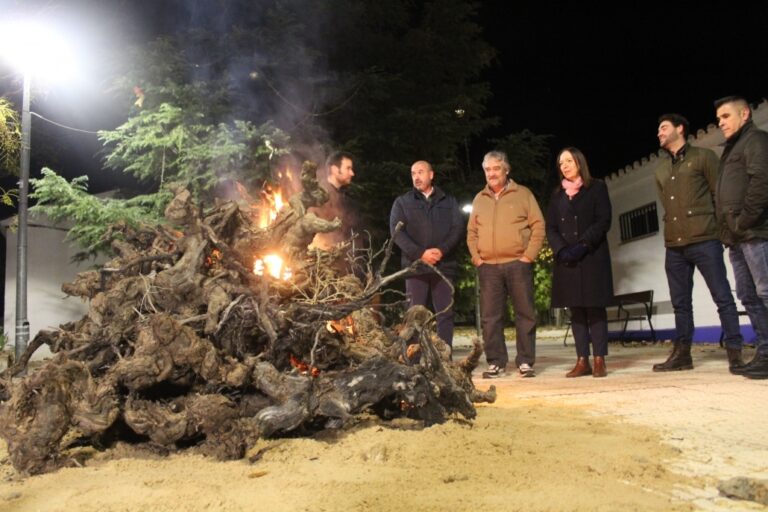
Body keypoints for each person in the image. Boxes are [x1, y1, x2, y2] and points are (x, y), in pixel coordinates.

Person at [652, 113, 746, 373]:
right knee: (680, 303)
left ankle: (735, 353)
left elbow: (720, 196)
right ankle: (682, 355)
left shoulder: (704, 158)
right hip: (674, 245)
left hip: (705, 239)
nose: (659, 133)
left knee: (722, 297)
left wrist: (724, 231)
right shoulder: (660, 170)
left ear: (680, 128)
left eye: (663, 127)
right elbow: (666, 204)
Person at [467, 150, 545, 378]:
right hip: (488, 266)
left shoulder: (523, 194)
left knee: (525, 313)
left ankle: (525, 362)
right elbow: (471, 232)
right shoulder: (479, 199)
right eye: (488, 169)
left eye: (496, 168)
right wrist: (477, 258)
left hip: (518, 263)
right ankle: (496, 362)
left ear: (506, 169)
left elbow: (538, 225)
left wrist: (529, 255)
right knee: (490, 317)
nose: (491, 173)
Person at [546, 147, 613, 378]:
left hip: (592, 256)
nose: (564, 165)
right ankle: (582, 360)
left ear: (579, 162)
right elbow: (551, 227)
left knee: (595, 308)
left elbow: (603, 220)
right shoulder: (557, 195)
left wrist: (583, 245)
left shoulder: (596, 187)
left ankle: (599, 359)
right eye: (560, 162)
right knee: (576, 311)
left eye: (568, 161)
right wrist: (562, 250)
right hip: (568, 261)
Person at [714, 96, 768, 380]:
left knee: (765, 292)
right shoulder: (732, 148)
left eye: (725, 116)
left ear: (744, 114)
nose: (720, 122)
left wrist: (743, 219)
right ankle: (765, 352)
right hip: (736, 237)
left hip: (754, 232)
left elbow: (761, 182)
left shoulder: (756, 140)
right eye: (719, 118)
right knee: (748, 295)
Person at [390, 161, 464, 347]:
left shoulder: (449, 201)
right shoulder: (403, 202)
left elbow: (457, 228)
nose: (416, 177)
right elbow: (397, 232)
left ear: (431, 175)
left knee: (445, 314)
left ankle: (444, 357)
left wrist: (442, 250)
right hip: (415, 267)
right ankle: (413, 359)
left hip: (443, 266)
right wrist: (420, 253)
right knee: (414, 316)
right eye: (413, 173)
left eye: (420, 172)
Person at [310, 151, 359, 249]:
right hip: (323, 259)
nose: (352, 173)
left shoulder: (344, 198)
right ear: (334, 170)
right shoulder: (319, 197)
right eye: (348, 168)